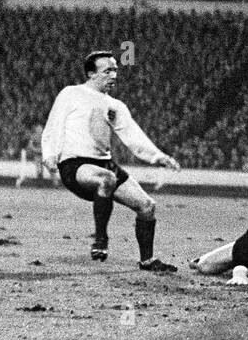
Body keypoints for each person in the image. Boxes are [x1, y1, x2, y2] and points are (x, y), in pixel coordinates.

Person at [40, 50, 181, 272]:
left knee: (147, 206)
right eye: (107, 71)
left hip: (104, 164)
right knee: (106, 179)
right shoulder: (71, 94)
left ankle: (147, 261)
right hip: (74, 164)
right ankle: (101, 240)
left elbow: (133, 136)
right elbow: (54, 124)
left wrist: (159, 157)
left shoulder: (115, 106)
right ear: (91, 74)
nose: (114, 75)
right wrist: (50, 155)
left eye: (115, 70)